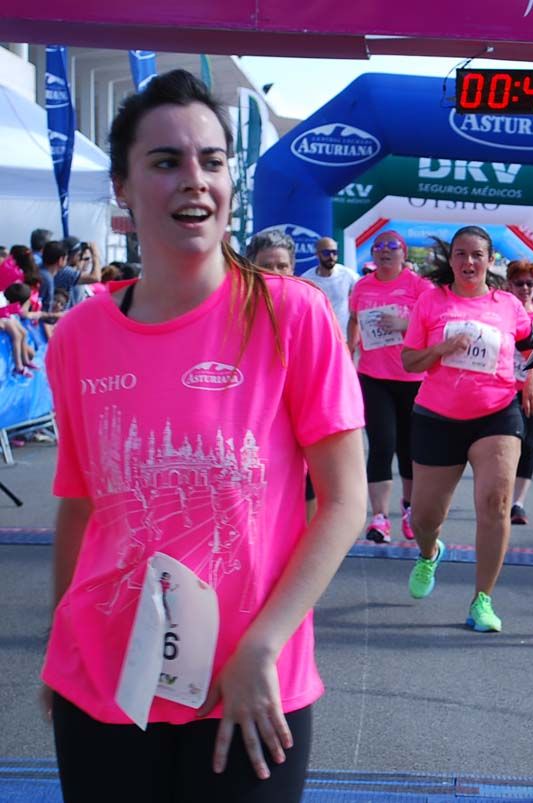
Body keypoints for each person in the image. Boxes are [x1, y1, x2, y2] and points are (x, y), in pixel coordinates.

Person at [41, 69, 366, 802]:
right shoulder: (80, 336)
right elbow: (81, 504)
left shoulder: (293, 315)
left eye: (212, 161)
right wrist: (59, 651)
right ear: (122, 186)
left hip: (249, 684)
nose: (196, 179)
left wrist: (262, 644)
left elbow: (344, 502)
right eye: (167, 162)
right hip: (104, 684)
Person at [401, 226, 533, 633]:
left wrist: (531, 380)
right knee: (425, 517)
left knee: (496, 503)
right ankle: (429, 552)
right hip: (437, 416)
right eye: (461, 254)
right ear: (451, 260)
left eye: (477, 254)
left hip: (496, 413)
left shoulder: (509, 305)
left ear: (490, 260)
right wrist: (439, 350)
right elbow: (409, 361)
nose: (469, 262)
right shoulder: (431, 301)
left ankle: (483, 600)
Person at [346, 231, 433, 544]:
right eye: (379, 246)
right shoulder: (363, 286)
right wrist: (348, 347)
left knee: (409, 448)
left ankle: (409, 509)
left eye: (391, 246)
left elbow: (434, 322)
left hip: (413, 379)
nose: (385, 251)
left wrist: (404, 325)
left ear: (403, 253)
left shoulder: (419, 286)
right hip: (373, 376)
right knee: (381, 444)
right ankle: (379, 517)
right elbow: (355, 320)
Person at [506, 259, 533, 526]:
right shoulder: (502, 311)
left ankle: (517, 503)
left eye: (530, 284)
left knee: (528, 444)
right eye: (519, 283)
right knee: (508, 445)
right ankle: (500, 494)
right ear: (510, 285)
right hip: (504, 389)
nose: (525, 288)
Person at [304, 237, 359, 338]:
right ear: (317, 254)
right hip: (318, 336)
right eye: (326, 253)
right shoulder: (306, 279)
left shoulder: (348, 275)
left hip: (343, 336)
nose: (331, 256)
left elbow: (362, 293)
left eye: (334, 252)